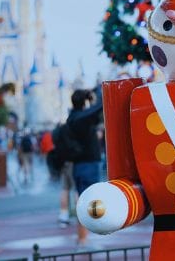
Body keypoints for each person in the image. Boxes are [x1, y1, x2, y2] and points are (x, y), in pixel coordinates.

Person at [66, 87, 103, 247]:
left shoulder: (73, 117)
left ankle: (82, 237)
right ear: (83, 102)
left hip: (80, 165)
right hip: (87, 165)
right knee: (86, 202)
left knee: (84, 200)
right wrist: (93, 98)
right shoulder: (80, 118)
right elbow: (98, 109)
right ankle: (83, 239)